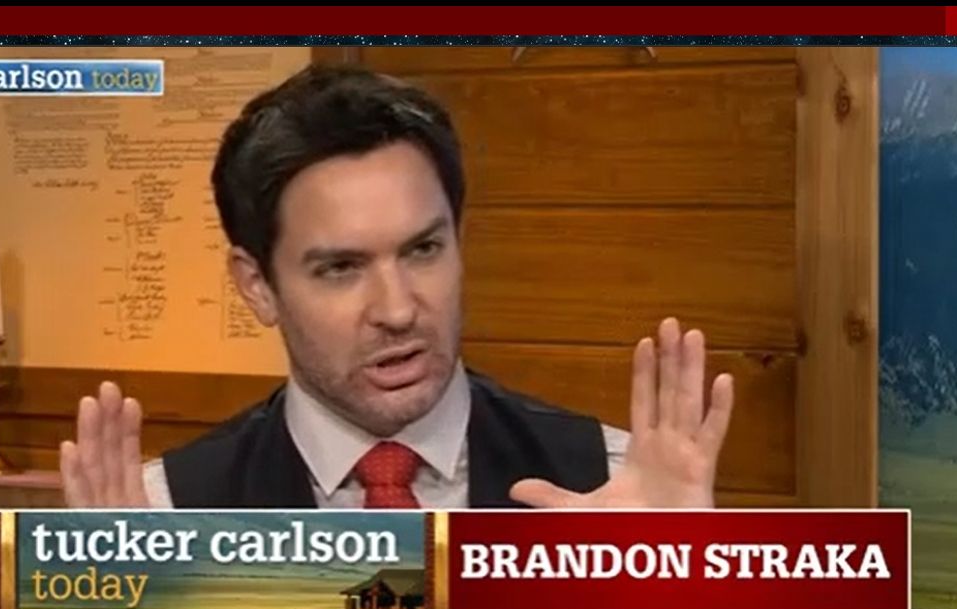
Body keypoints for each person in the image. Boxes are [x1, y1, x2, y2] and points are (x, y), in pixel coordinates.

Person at [58, 64, 734, 510]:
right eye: (341, 268)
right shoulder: (165, 515)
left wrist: (682, 600)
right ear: (256, 285)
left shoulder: (612, 479)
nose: (399, 309)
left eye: (423, 249)